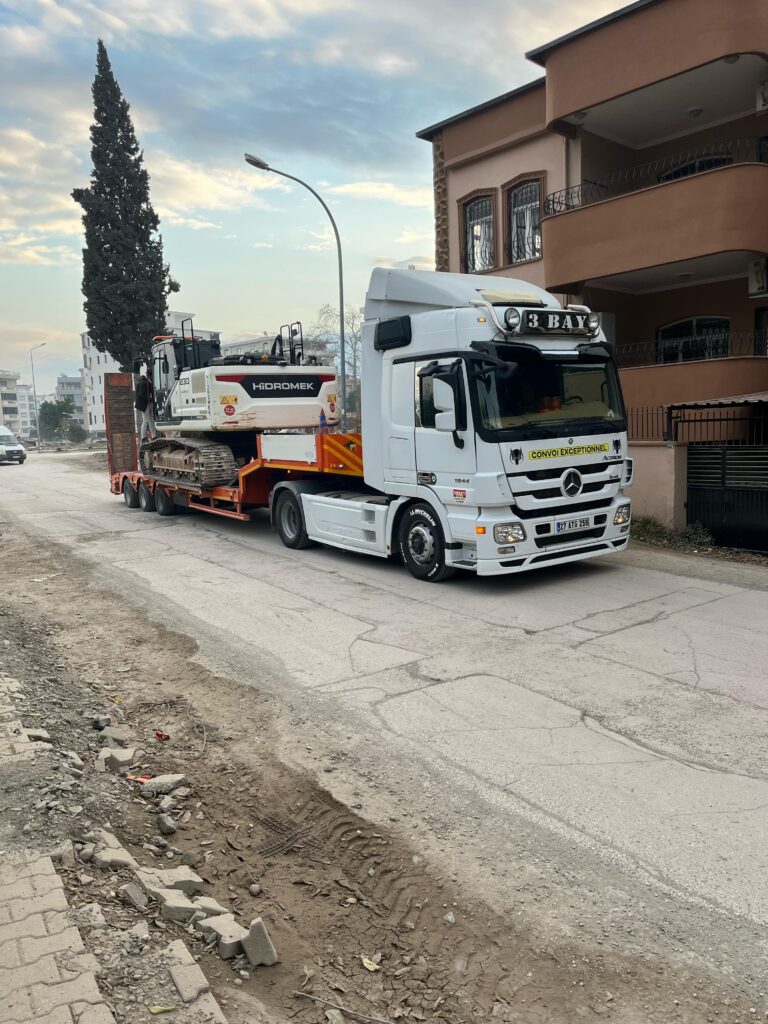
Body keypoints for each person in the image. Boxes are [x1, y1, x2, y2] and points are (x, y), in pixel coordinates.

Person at [134, 367, 156, 442]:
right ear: (150, 376)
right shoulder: (145, 383)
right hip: (145, 404)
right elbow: (141, 395)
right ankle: (143, 438)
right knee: (146, 420)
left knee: (151, 420)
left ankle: (154, 436)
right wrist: (150, 399)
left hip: (145, 404)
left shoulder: (145, 382)